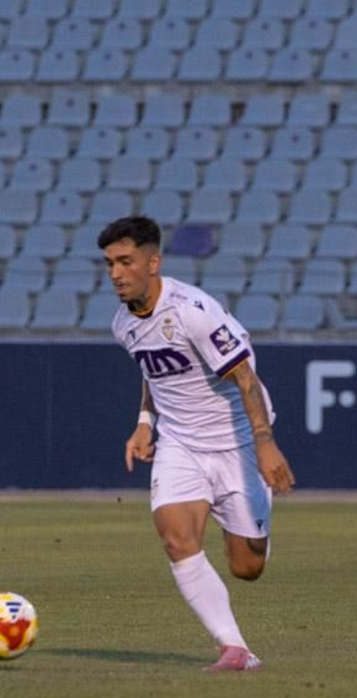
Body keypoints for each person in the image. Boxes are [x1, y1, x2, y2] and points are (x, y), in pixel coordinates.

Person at [97, 215, 295, 673]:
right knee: (176, 538)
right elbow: (153, 372)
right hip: (181, 442)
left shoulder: (193, 310)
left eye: (125, 262)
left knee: (247, 568)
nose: (116, 274)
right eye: (109, 264)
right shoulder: (122, 324)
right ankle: (235, 648)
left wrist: (265, 445)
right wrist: (145, 421)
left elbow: (245, 376)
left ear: (153, 262)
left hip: (238, 441)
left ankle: (253, 525)